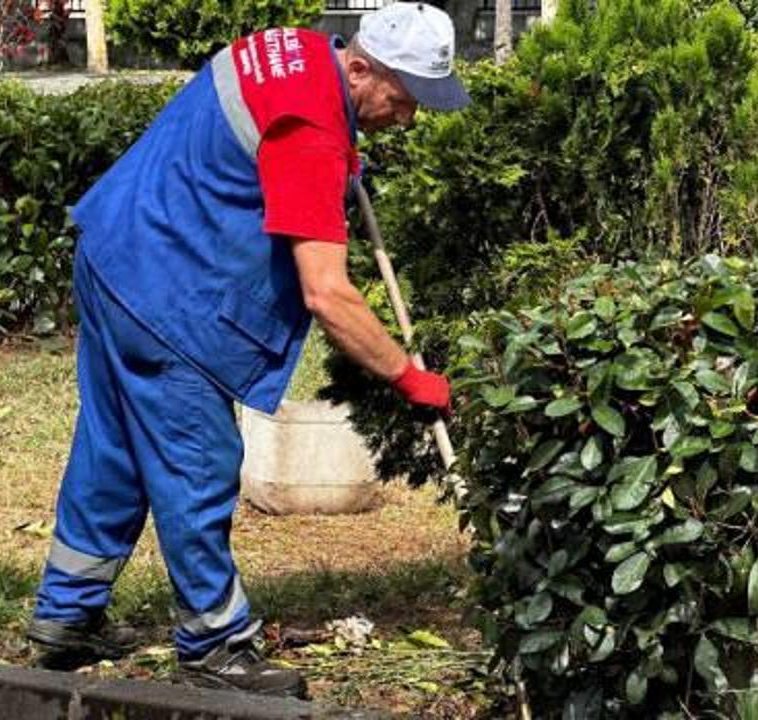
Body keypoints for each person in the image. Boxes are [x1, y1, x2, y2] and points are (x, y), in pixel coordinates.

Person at [24, 3, 469, 699]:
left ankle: (65, 619)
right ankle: (215, 644)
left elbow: (253, 137)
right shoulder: (314, 132)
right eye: (402, 98)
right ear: (358, 68)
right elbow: (327, 294)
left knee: (112, 446)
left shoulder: (292, 48)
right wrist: (408, 377)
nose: (406, 119)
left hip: (115, 247)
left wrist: (341, 153)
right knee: (197, 461)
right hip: (166, 290)